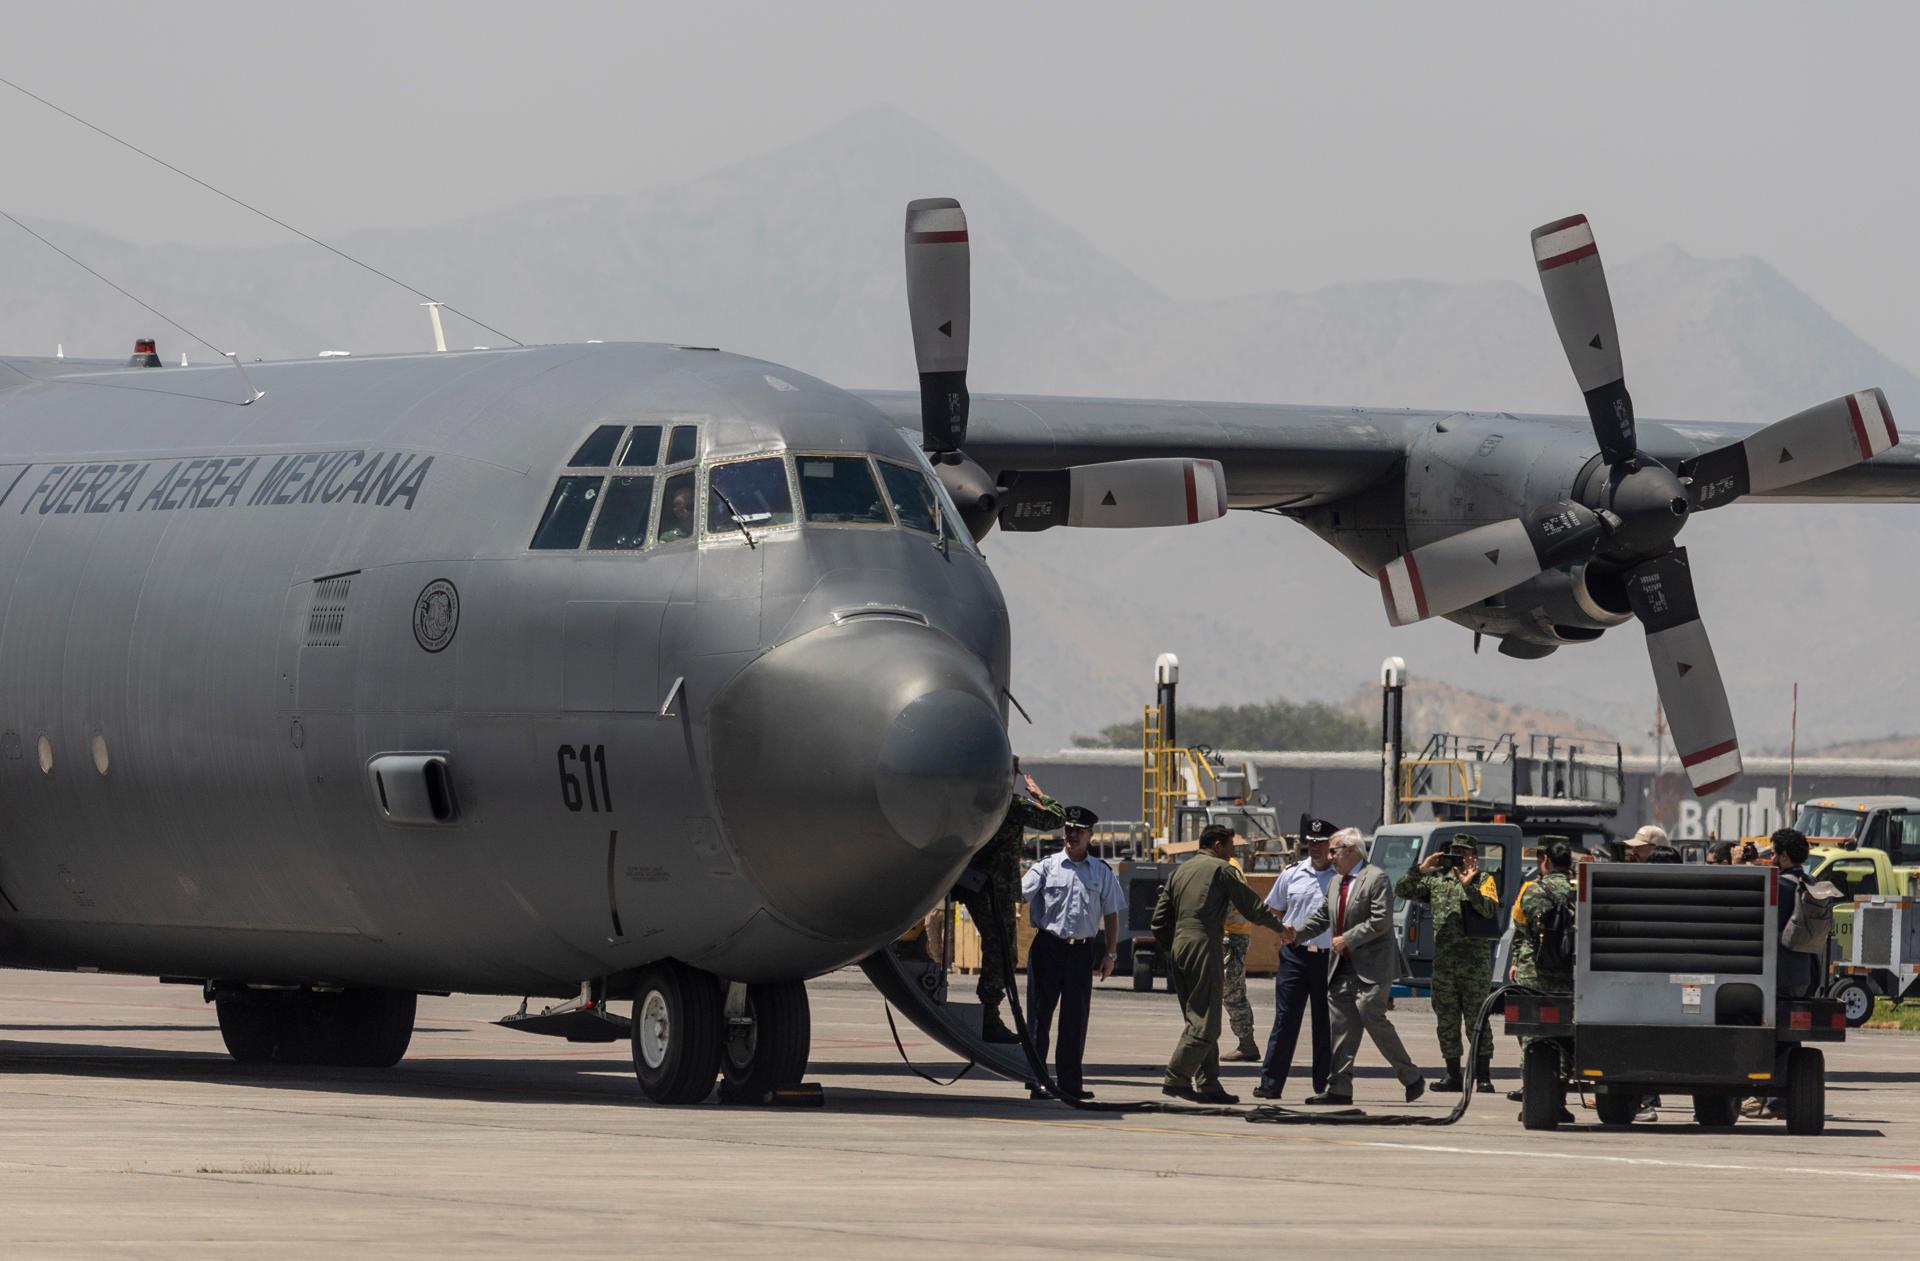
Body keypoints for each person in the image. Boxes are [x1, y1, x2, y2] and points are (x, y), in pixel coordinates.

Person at [1278, 828, 1427, 1105]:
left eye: (1335, 850)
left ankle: (1411, 1075)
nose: (1330, 856)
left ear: (1352, 849)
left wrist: (1348, 938)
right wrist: (1296, 934)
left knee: (1371, 1016)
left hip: (1371, 967)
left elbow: (1380, 921)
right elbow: (1322, 917)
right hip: (1341, 967)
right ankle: (1339, 1088)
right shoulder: (1336, 882)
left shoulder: (1376, 878)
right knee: (1342, 1026)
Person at [1151, 825, 1289, 1103]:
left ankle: (1209, 1083)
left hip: (1179, 945)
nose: (1232, 854)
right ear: (1217, 845)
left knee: (1198, 1016)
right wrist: (1279, 928)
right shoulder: (1221, 869)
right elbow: (1250, 905)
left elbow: (1158, 921)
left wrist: (1176, 946)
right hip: (1204, 943)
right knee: (1208, 1025)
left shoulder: (1180, 871)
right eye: (1229, 847)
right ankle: (1176, 1077)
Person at [1020, 804, 1124, 1102]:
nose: (1072, 835)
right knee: (1039, 1018)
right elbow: (1019, 893)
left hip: (1081, 952)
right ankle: (1038, 1081)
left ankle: (1070, 1083)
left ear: (1090, 835)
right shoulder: (1046, 866)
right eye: (1068, 829)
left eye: (1079, 831)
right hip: (1048, 948)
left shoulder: (1101, 872)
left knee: (1075, 1020)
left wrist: (1111, 954)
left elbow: (1113, 913)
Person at [957, 771, 1063, 1043]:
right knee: (1003, 950)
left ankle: (989, 1012)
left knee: (997, 946)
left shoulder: (969, 801)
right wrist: (1041, 796)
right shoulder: (1011, 804)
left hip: (972, 884)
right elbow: (1056, 817)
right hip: (997, 888)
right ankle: (989, 1015)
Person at [1396, 836, 1500, 1093]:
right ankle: (1453, 1074)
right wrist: (1421, 869)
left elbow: (1489, 910)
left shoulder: (1485, 880)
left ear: (1473, 855)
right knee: (1447, 1021)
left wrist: (1469, 886)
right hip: (1445, 965)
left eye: (1463, 853)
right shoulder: (1437, 882)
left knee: (1477, 1021)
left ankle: (1483, 1075)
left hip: (1474, 965)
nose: (1458, 857)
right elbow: (1402, 890)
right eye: (1454, 852)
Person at [1253, 817, 1338, 1100]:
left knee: (1325, 1024)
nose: (1314, 848)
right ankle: (1271, 1083)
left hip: (1328, 959)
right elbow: (1273, 909)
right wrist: (1282, 930)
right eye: (1311, 843)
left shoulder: (1341, 878)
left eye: (1320, 843)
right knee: (1285, 1021)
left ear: (1332, 846)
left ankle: (1324, 1085)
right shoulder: (1291, 873)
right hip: (1295, 958)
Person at [1513, 840, 1578, 1124]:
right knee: (1566, 1036)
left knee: (1533, 1037)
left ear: (1545, 862)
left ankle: (1535, 1098)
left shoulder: (1531, 890)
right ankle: (1559, 1099)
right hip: (1569, 975)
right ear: (1570, 865)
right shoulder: (1581, 891)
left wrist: (1516, 962)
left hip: (1535, 973)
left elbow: (1520, 927)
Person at [1763, 827, 1821, 1118]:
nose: (1772, 857)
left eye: (1774, 852)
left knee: (1774, 1037)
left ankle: (1773, 1099)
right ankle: (1780, 1100)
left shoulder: (1779, 887)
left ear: (1784, 855)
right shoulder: (1811, 884)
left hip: (1776, 974)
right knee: (1788, 1036)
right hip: (1804, 973)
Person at [1219, 840, 1261, 1062]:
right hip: (1231, 936)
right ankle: (1246, 1043)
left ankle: (1247, 1044)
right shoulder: (1229, 865)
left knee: (1232, 991)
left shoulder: (1228, 868)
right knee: (1231, 991)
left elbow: (1223, 904)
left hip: (1230, 937)